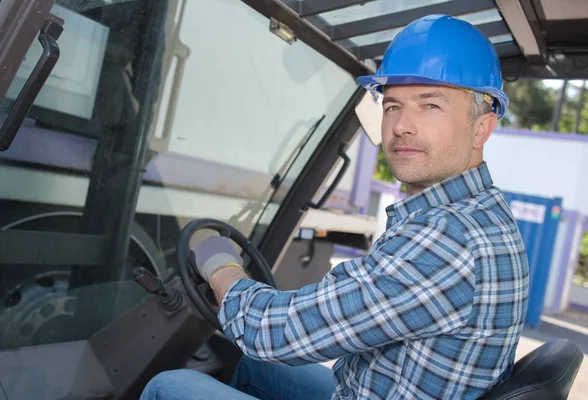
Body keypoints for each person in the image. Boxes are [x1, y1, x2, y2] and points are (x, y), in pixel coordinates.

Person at [140, 14, 529, 400]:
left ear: (482, 128)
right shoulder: (482, 213)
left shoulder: (447, 239)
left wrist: (219, 265)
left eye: (430, 106)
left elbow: (271, 332)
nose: (401, 126)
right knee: (252, 365)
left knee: (168, 387)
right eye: (393, 105)